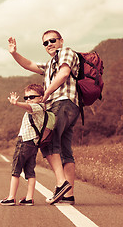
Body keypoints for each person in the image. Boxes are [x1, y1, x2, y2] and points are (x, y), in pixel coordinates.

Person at [8, 30, 80, 205]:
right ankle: (68, 194)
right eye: (45, 43)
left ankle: (61, 183)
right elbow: (29, 64)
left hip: (62, 103)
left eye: (52, 40)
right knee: (64, 150)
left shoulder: (66, 52)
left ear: (61, 41)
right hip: (69, 107)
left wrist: (46, 93)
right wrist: (14, 53)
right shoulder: (49, 65)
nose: (49, 44)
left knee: (47, 141)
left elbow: (63, 74)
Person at [0, 84, 55, 206]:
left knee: (16, 170)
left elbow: (29, 106)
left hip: (25, 142)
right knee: (30, 171)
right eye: (26, 97)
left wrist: (17, 103)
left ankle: (11, 197)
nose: (28, 99)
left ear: (41, 97)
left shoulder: (37, 107)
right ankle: (29, 198)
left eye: (32, 96)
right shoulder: (42, 108)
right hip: (33, 144)